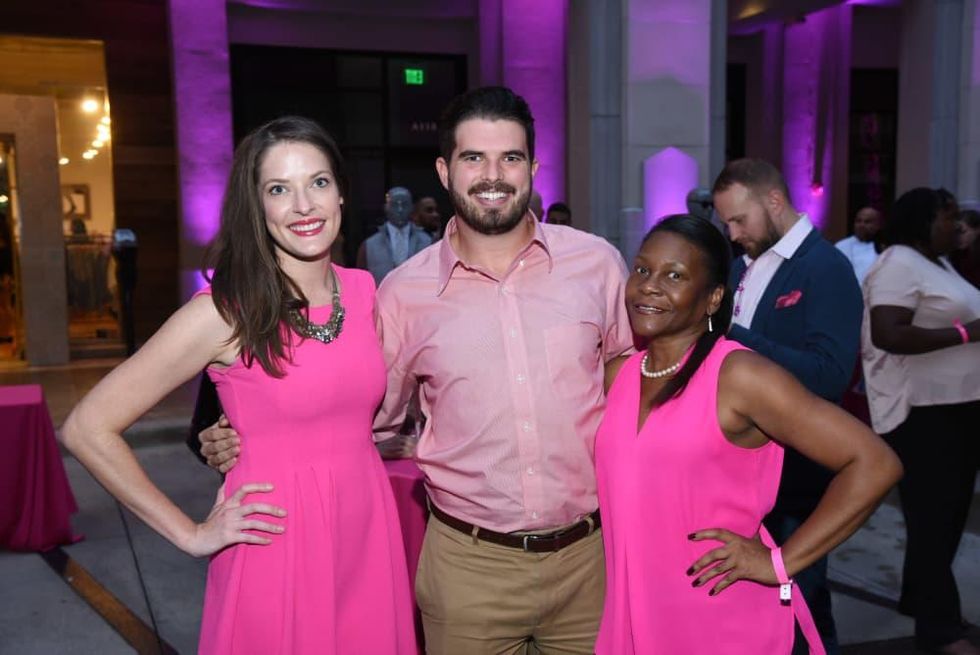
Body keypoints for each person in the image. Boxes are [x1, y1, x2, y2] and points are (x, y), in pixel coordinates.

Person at [199, 86, 634, 654]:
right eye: (473, 158)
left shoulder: (597, 264)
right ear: (444, 170)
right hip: (467, 571)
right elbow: (361, 417)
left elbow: (630, 380)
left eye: (511, 157)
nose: (493, 175)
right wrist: (252, 434)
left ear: (534, 166)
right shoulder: (402, 294)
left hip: (592, 561)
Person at [61, 116, 415, 654]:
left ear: (341, 194)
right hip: (276, 544)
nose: (303, 205)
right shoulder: (224, 313)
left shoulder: (366, 291)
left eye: (318, 182)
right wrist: (191, 534)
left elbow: (352, 413)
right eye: (279, 189)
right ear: (257, 207)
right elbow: (87, 427)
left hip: (367, 535)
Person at [596, 214, 901, 654]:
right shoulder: (620, 375)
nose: (649, 285)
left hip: (720, 616)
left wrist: (781, 561)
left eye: (674, 275)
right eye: (642, 269)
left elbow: (874, 463)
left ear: (713, 298)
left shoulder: (740, 375)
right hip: (635, 612)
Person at [712, 158, 863, 655]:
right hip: (745, 477)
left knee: (802, 606)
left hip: (798, 482)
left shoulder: (827, 269)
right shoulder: (744, 263)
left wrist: (734, 339)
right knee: (755, 613)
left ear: (774, 201)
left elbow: (828, 375)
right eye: (727, 223)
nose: (733, 234)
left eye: (739, 220)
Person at [862, 187, 980, 655]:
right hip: (922, 413)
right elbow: (888, 333)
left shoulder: (939, 263)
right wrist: (965, 333)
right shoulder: (897, 264)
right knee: (934, 520)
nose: (957, 226)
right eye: (948, 217)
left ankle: (918, 596)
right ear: (923, 220)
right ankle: (940, 628)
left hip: (958, 406)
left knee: (949, 517)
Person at [356, 186, 432, 284]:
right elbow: (360, 283)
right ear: (386, 208)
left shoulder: (428, 242)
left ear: (412, 207)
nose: (400, 210)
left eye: (404, 204)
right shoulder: (369, 246)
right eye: (394, 205)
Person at [835, 206, 882, 284]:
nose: (861, 225)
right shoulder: (841, 246)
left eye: (867, 222)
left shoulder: (883, 247)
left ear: (878, 225)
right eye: (858, 221)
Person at [951, 208, 980, 288]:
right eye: (955, 233)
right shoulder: (956, 255)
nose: (958, 237)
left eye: (963, 232)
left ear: (977, 230)